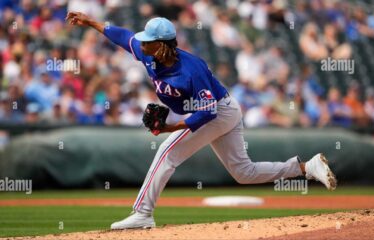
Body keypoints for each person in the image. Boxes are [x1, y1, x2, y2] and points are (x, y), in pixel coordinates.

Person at [66, 12, 337, 230]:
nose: (142, 43)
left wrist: (172, 127)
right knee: (244, 173)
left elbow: (207, 113)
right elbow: (123, 36)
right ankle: (305, 168)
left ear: (162, 46)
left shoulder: (191, 69)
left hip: (218, 111)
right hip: (224, 109)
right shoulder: (147, 53)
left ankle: (143, 213)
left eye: (148, 41)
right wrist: (91, 22)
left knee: (166, 153)